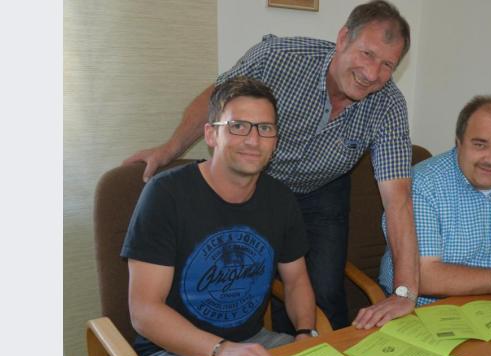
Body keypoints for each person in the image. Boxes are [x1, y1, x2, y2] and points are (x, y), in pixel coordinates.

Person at [124, 0, 419, 332]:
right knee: (234, 280)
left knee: (324, 292)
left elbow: (398, 200)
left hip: (322, 189)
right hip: (256, 183)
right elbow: (217, 101)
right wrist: (168, 149)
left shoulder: (389, 104)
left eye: (387, 65)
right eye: (367, 54)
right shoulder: (280, 57)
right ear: (342, 38)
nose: (371, 74)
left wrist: (404, 292)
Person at [122, 77, 319, 356]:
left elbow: (296, 282)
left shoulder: (281, 199)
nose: (252, 139)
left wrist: (305, 333)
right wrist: (221, 350)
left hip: (254, 344)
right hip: (173, 354)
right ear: (211, 135)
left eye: (265, 128)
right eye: (238, 126)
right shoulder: (165, 195)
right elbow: (144, 311)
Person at [376, 95, 491, 322]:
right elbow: (423, 276)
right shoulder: (423, 183)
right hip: (423, 312)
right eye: (480, 145)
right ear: (459, 142)